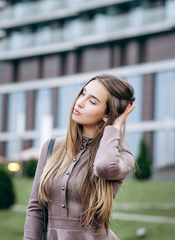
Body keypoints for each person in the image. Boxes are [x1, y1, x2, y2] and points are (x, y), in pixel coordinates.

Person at [24, 73, 136, 240]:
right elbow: (36, 208)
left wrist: (115, 126)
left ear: (107, 114)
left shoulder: (122, 158)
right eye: (83, 93)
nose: (80, 102)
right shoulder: (51, 147)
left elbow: (103, 167)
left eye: (92, 101)